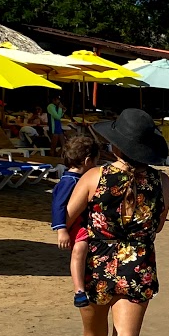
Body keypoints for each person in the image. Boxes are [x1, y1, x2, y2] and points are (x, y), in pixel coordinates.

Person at [65, 109, 169, 336]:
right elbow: (157, 225)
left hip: (97, 263)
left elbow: (67, 214)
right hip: (138, 264)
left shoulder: (95, 177)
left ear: (116, 146)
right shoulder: (161, 182)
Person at [51, 132, 100, 312]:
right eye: (94, 162)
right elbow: (58, 206)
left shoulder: (75, 179)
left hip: (83, 223)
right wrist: (61, 229)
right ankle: (79, 289)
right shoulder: (69, 181)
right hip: (76, 225)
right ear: (87, 161)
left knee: (84, 250)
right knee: (79, 250)